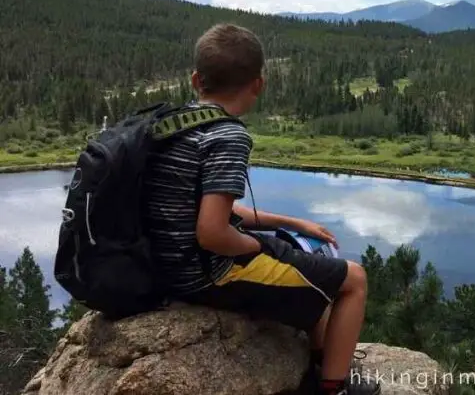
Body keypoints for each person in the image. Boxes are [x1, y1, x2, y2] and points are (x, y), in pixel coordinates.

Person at [142, 23, 380, 395]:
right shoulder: (228, 135)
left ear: (194, 80)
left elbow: (219, 214)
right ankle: (334, 387)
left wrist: (291, 222)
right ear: (258, 84)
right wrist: (259, 247)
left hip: (163, 267)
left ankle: (318, 356)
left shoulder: (176, 124)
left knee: (304, 256)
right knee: (353, 280)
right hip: (204, 275)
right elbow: (212, 233)